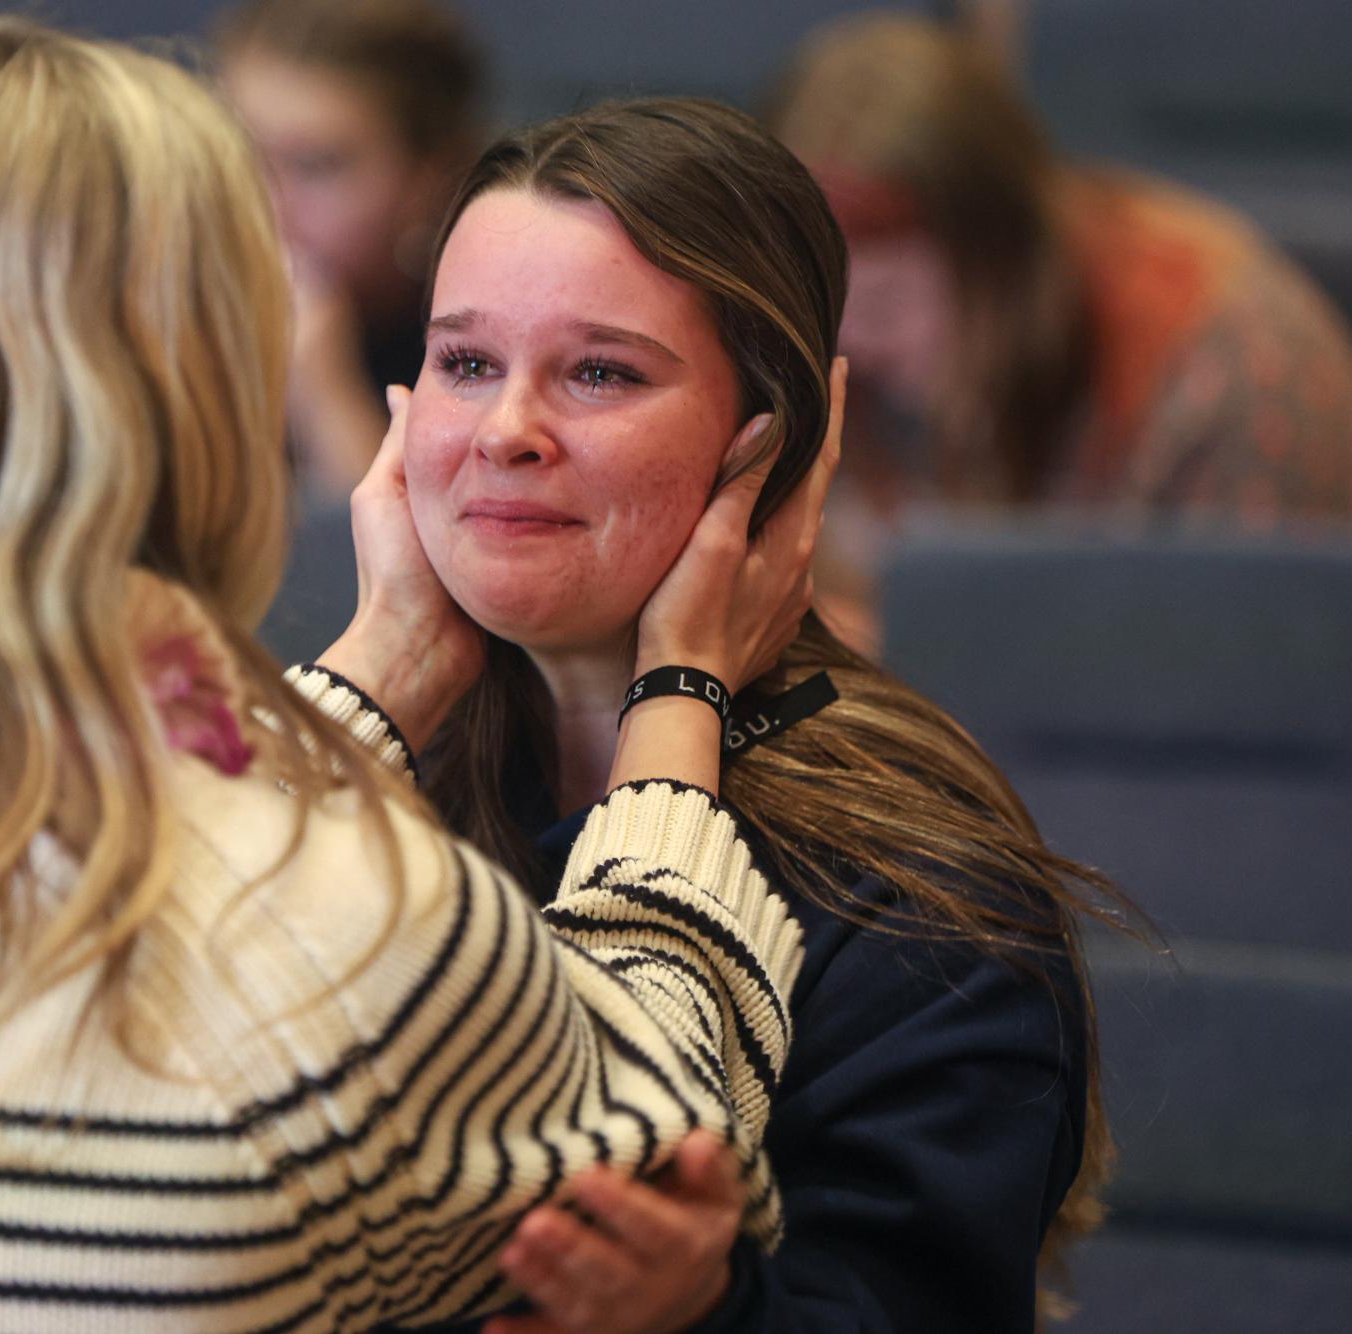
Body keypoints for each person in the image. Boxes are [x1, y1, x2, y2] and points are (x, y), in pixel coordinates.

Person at [0, 17, 833, 1331]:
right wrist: (679, 698)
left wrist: (387, 664)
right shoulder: (331, 922)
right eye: (461, 358)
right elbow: (663, 1145)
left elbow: (185, 815)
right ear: (189, 384)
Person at [383, 99, 1133, 1332]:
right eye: (466, 364)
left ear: (774, 441)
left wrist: (710, 1308)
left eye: (600, 372)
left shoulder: (915, 883)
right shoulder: (375, 778)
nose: (507, 431)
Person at [759, 13, 1352, 640]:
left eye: (886, 305)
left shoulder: (1237, 374)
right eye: (825, 297)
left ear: (1009, 260)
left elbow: (1236, 678)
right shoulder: (835, 357)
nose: (850, 342)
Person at [217, 0, 485, 498]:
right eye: (235, 151)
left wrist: (323, 391)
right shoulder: (171, 304)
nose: (265, 202)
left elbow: (396, 568)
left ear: (428, 179)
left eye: (317, 166)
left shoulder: (479, 340)